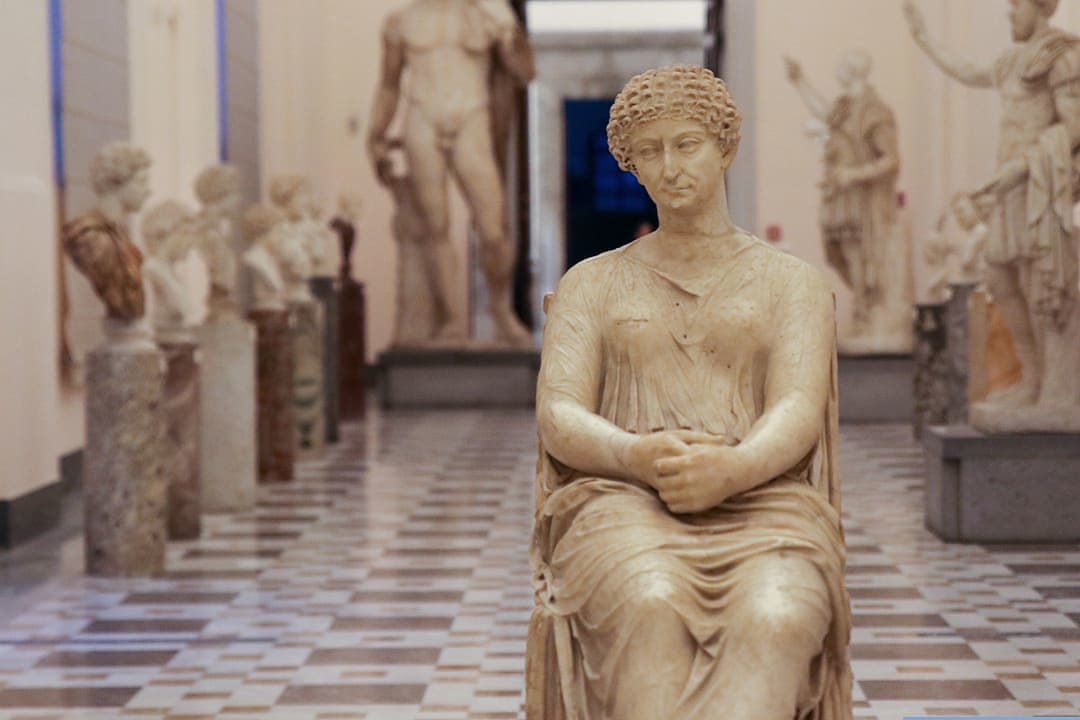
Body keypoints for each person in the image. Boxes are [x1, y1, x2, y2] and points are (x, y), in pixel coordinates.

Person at [527, 65, 852, 720]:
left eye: (687, 144)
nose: (670, 167)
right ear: (632, 166)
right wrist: (634, 456)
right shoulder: (592, 283)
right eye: (649, 152)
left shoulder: (792, 283)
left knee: (779, 613)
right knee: (648, 602)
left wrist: (735, 468)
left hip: (764, 498)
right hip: (624, 498)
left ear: (725, 148)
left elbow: (798, 404)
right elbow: (559, 412)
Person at [905, 0, 1080, 428]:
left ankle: (1059, 390)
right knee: (1001, 278)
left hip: (1039, 186)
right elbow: (969, 71)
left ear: (1040, 8)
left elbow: (1074, 127)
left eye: (1016, 6)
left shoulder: (1061, 56)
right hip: (1010, 189)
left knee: (1042, 286)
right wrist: (924, 39)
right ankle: (1032, 377)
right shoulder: (1012, 61)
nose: (1009, 14)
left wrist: (1022, 167)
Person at [367, 0, 535, 346]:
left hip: (471, 116)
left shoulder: (486, 12)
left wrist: (510, 34)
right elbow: (389, 85)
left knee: (492, 227)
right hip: (421, 118)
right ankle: (452, 320)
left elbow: (524, 71)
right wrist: (376, 133)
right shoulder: (401, 21)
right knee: (435, 225)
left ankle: (501, 308)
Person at [784, 51, 911, 352]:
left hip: (863, 199)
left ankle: (867, 316)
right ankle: (864, 313)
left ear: (853, 70)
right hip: (841, 195)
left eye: (842, 66)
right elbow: (823, 111)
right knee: (842, 254)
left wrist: (853, 174)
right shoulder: (845, 107)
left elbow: (891, 160)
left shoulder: (875, 113)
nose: (837, 70)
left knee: (862, 256)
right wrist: (799, 81)